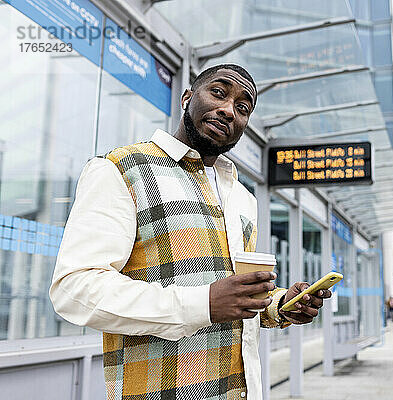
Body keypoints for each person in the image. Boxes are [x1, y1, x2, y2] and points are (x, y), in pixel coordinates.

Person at [50, 64, 332, 400]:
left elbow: (234, 296)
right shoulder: (120, 170)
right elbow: (74, 289)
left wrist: (279, 305)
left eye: (242, 107)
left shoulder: (241, 196)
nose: (228, 109)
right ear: (187, 97)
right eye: (218, 92)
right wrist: (204, 303)